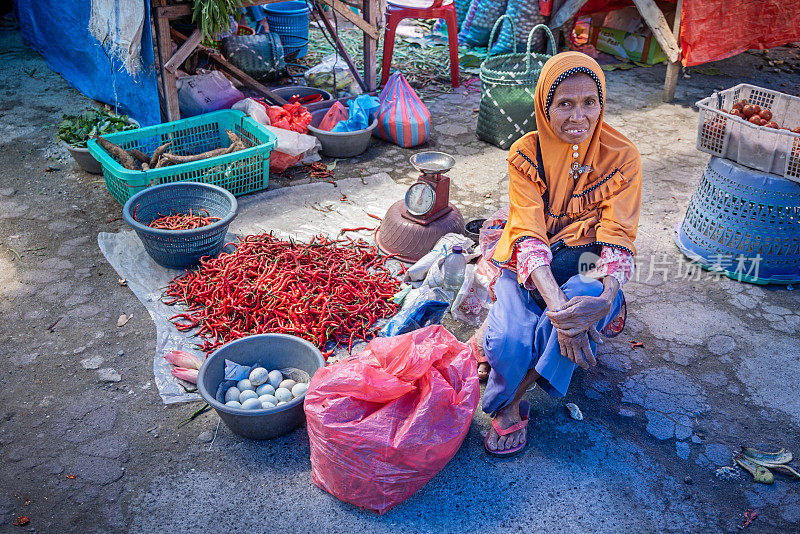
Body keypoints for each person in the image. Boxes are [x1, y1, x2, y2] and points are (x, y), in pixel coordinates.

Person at [472, 52, 642, 456]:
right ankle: (492, 341)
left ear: (602, 104)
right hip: (529, 260)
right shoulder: (524, 154)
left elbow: (618, 236)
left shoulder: (623, 156)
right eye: (564, 104)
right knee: (510, 340)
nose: (578, 117)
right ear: (545, 105)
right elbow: (529, 234)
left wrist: (604, 299)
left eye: (589, 102)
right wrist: (561, 311)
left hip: (586, 257)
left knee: (587, 295)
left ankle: (511, 401)